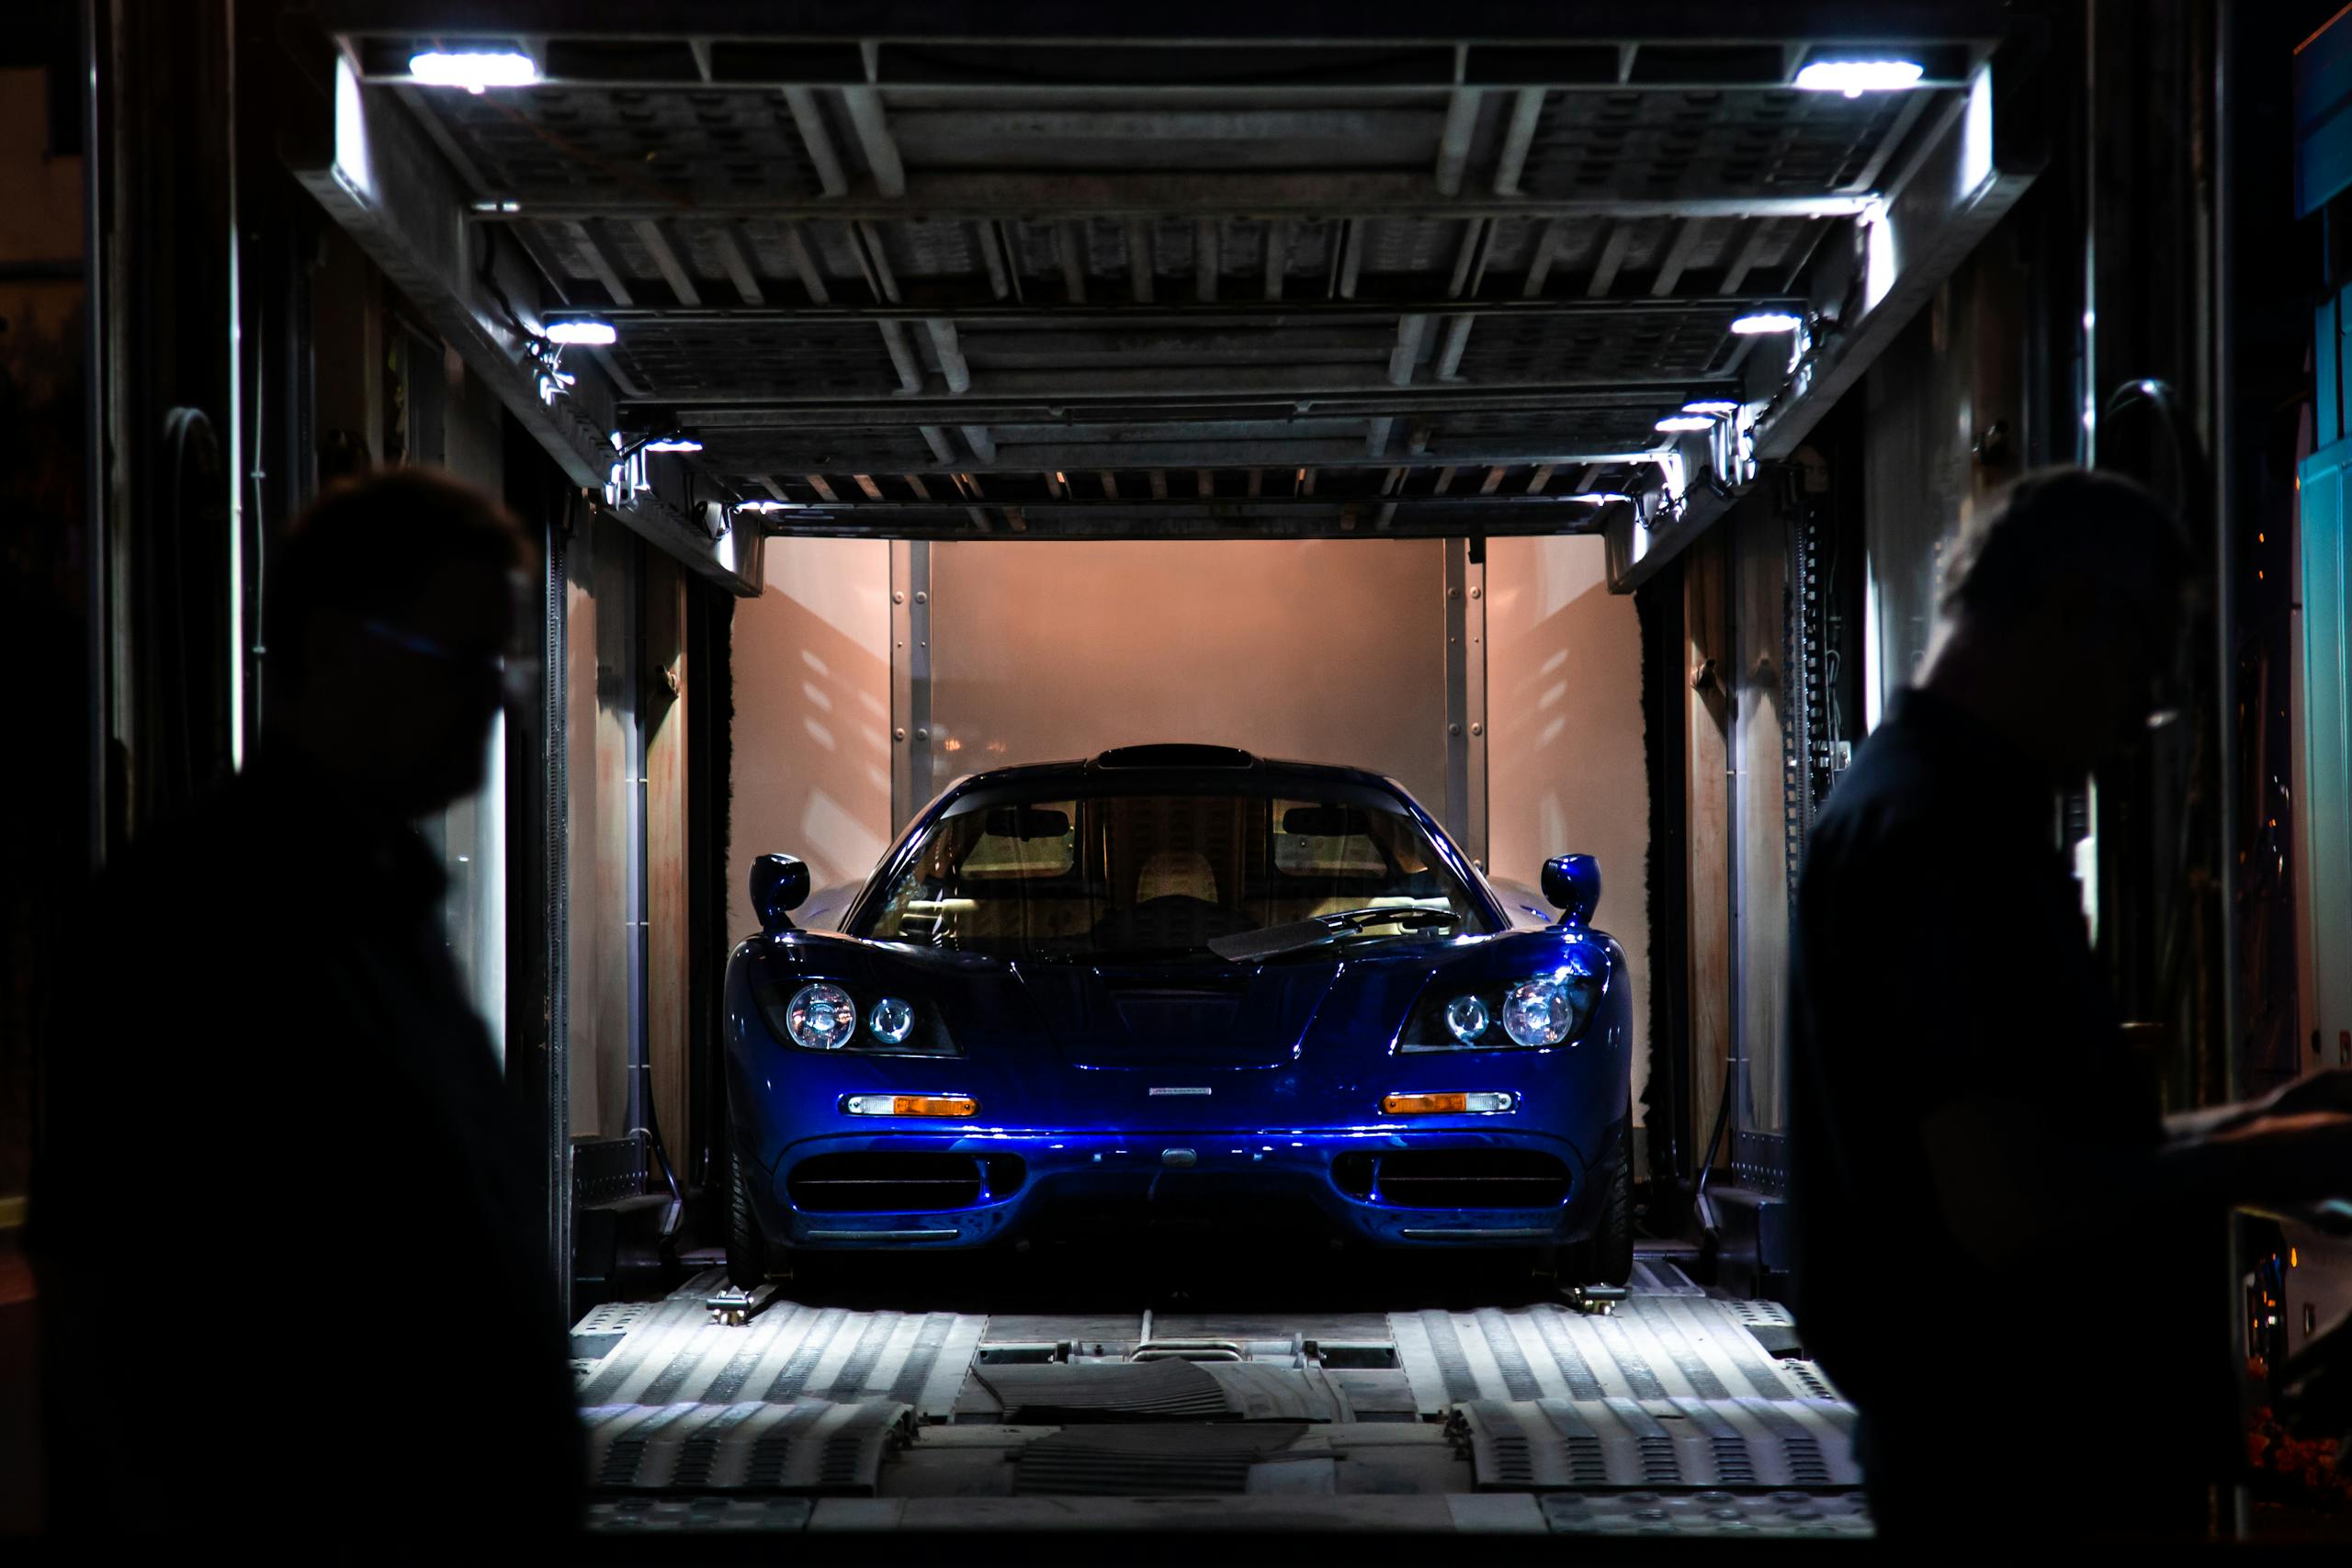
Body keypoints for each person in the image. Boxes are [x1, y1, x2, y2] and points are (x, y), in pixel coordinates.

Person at [1786, 466, 2352, 1541]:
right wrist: (2280, 1159)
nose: (2134, 720)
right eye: (2137, 668)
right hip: (2022, 1475)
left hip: (1997, 1458)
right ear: (2063, 617)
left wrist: (2266, 1116)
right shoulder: (1939, 837)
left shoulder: (1922, 810)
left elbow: (2049, 1137)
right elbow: (2011, 1204)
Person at [31, 469, 584, 1535]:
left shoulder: (392, 908)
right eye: (464, 662)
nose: (496, 701)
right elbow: (117, 1337)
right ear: (340, 650)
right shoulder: (199, 925)